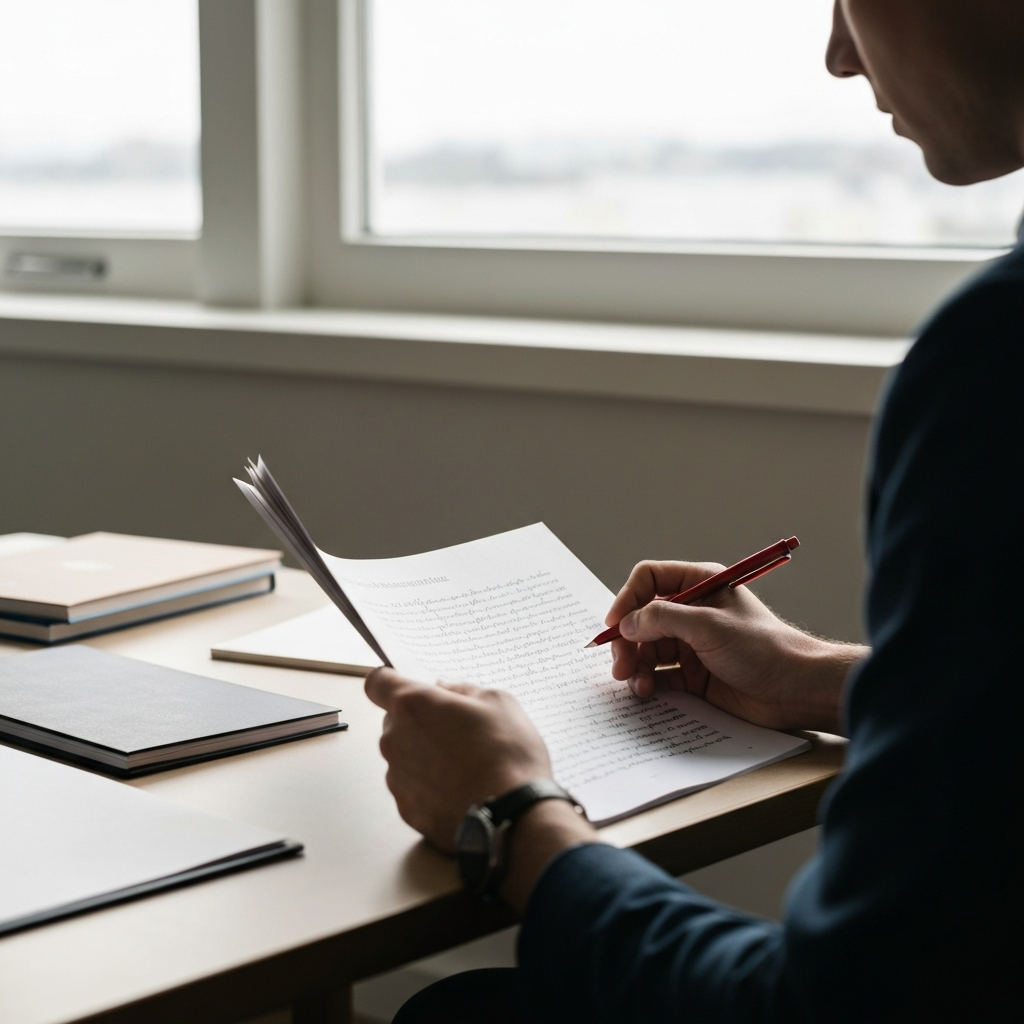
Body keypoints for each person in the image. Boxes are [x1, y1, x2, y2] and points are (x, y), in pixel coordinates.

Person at [365, 1, 1024, 1020]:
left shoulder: (995, 362)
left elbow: (840, 1005)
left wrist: (513, 818)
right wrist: (823, 681)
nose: (838, 54)